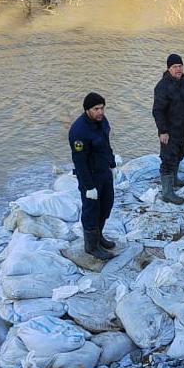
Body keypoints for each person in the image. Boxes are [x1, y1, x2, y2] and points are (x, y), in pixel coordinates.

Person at [69, 92, 118, 261]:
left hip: (104, 172)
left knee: (106, 206)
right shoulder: (79, 131)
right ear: (87, 110)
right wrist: (89, 186)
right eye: (96, 109)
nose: (100, 112)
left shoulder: (102, 121)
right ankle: (91, 246)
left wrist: (112, 163)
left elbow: (106, 144)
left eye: (102, 108)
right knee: (91, 211)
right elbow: (79, 161)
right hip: (90, 177)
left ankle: (99, 237)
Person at [152, 53, 184, 206]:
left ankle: (174, 180)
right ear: (169, 68)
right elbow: (157, 111)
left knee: (180, 154)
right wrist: (162, 131)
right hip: (169, 130)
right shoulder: (162, 86)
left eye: (180, 66)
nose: (178, 69)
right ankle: (167, 192)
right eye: (175, 67)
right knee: (168, 159)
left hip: (183, 128)